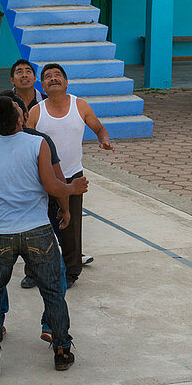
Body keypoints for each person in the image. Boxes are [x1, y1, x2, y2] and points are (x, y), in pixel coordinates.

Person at [0, 97, 88, 377]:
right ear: (20, 118)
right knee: (53, 292)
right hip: (38, 231)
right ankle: (62, 350)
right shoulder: (38, 143)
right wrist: (73, 188)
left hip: (0, 234)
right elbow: (51, 184)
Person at [25, 63, 112, 288]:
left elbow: (99, 128)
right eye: (48, 77)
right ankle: (33, 272)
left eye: (57, 76)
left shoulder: (80, 105)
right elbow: (25, 143)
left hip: (73, 176)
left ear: (66, 82)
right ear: (42, 84)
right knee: (37, 226)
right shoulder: (36, 111)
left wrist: (104, 140)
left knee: (71, 228)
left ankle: (72, 272)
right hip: (42, 179)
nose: (53, 79)